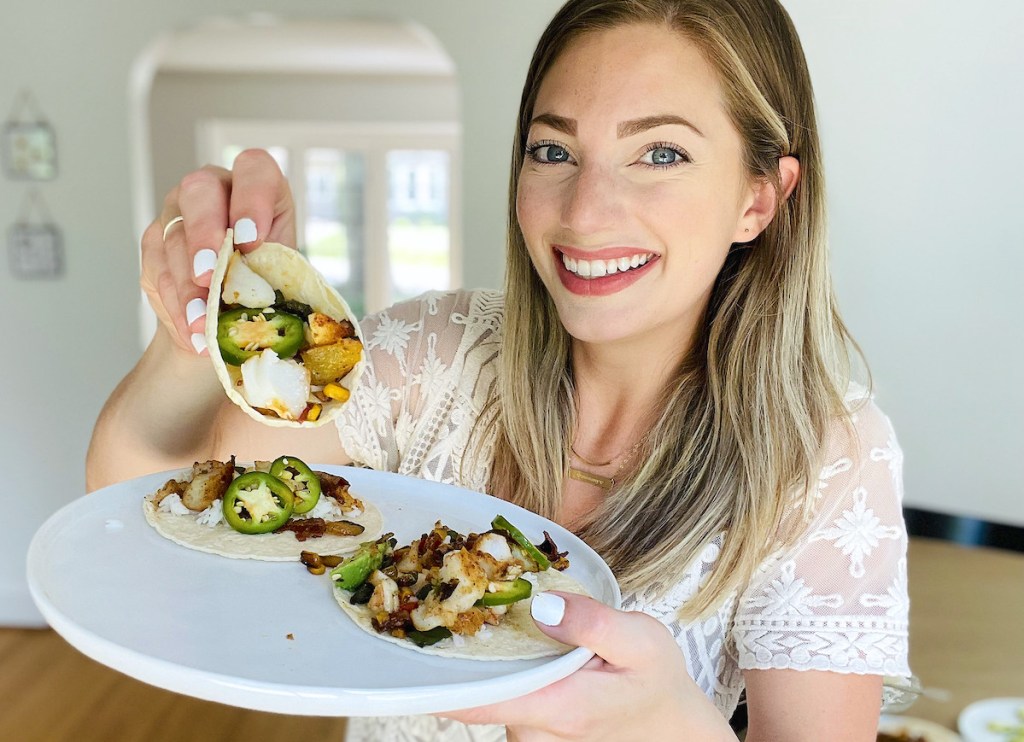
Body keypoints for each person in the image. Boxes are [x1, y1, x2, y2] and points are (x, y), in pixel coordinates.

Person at [88, 0, 910, 739]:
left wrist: (672, 729)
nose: (585, 212)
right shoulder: (431, 356)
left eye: (660, 154)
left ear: (759, 200)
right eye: (553, 149)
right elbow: (157, 512)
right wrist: (207, 319)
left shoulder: (827, 456)